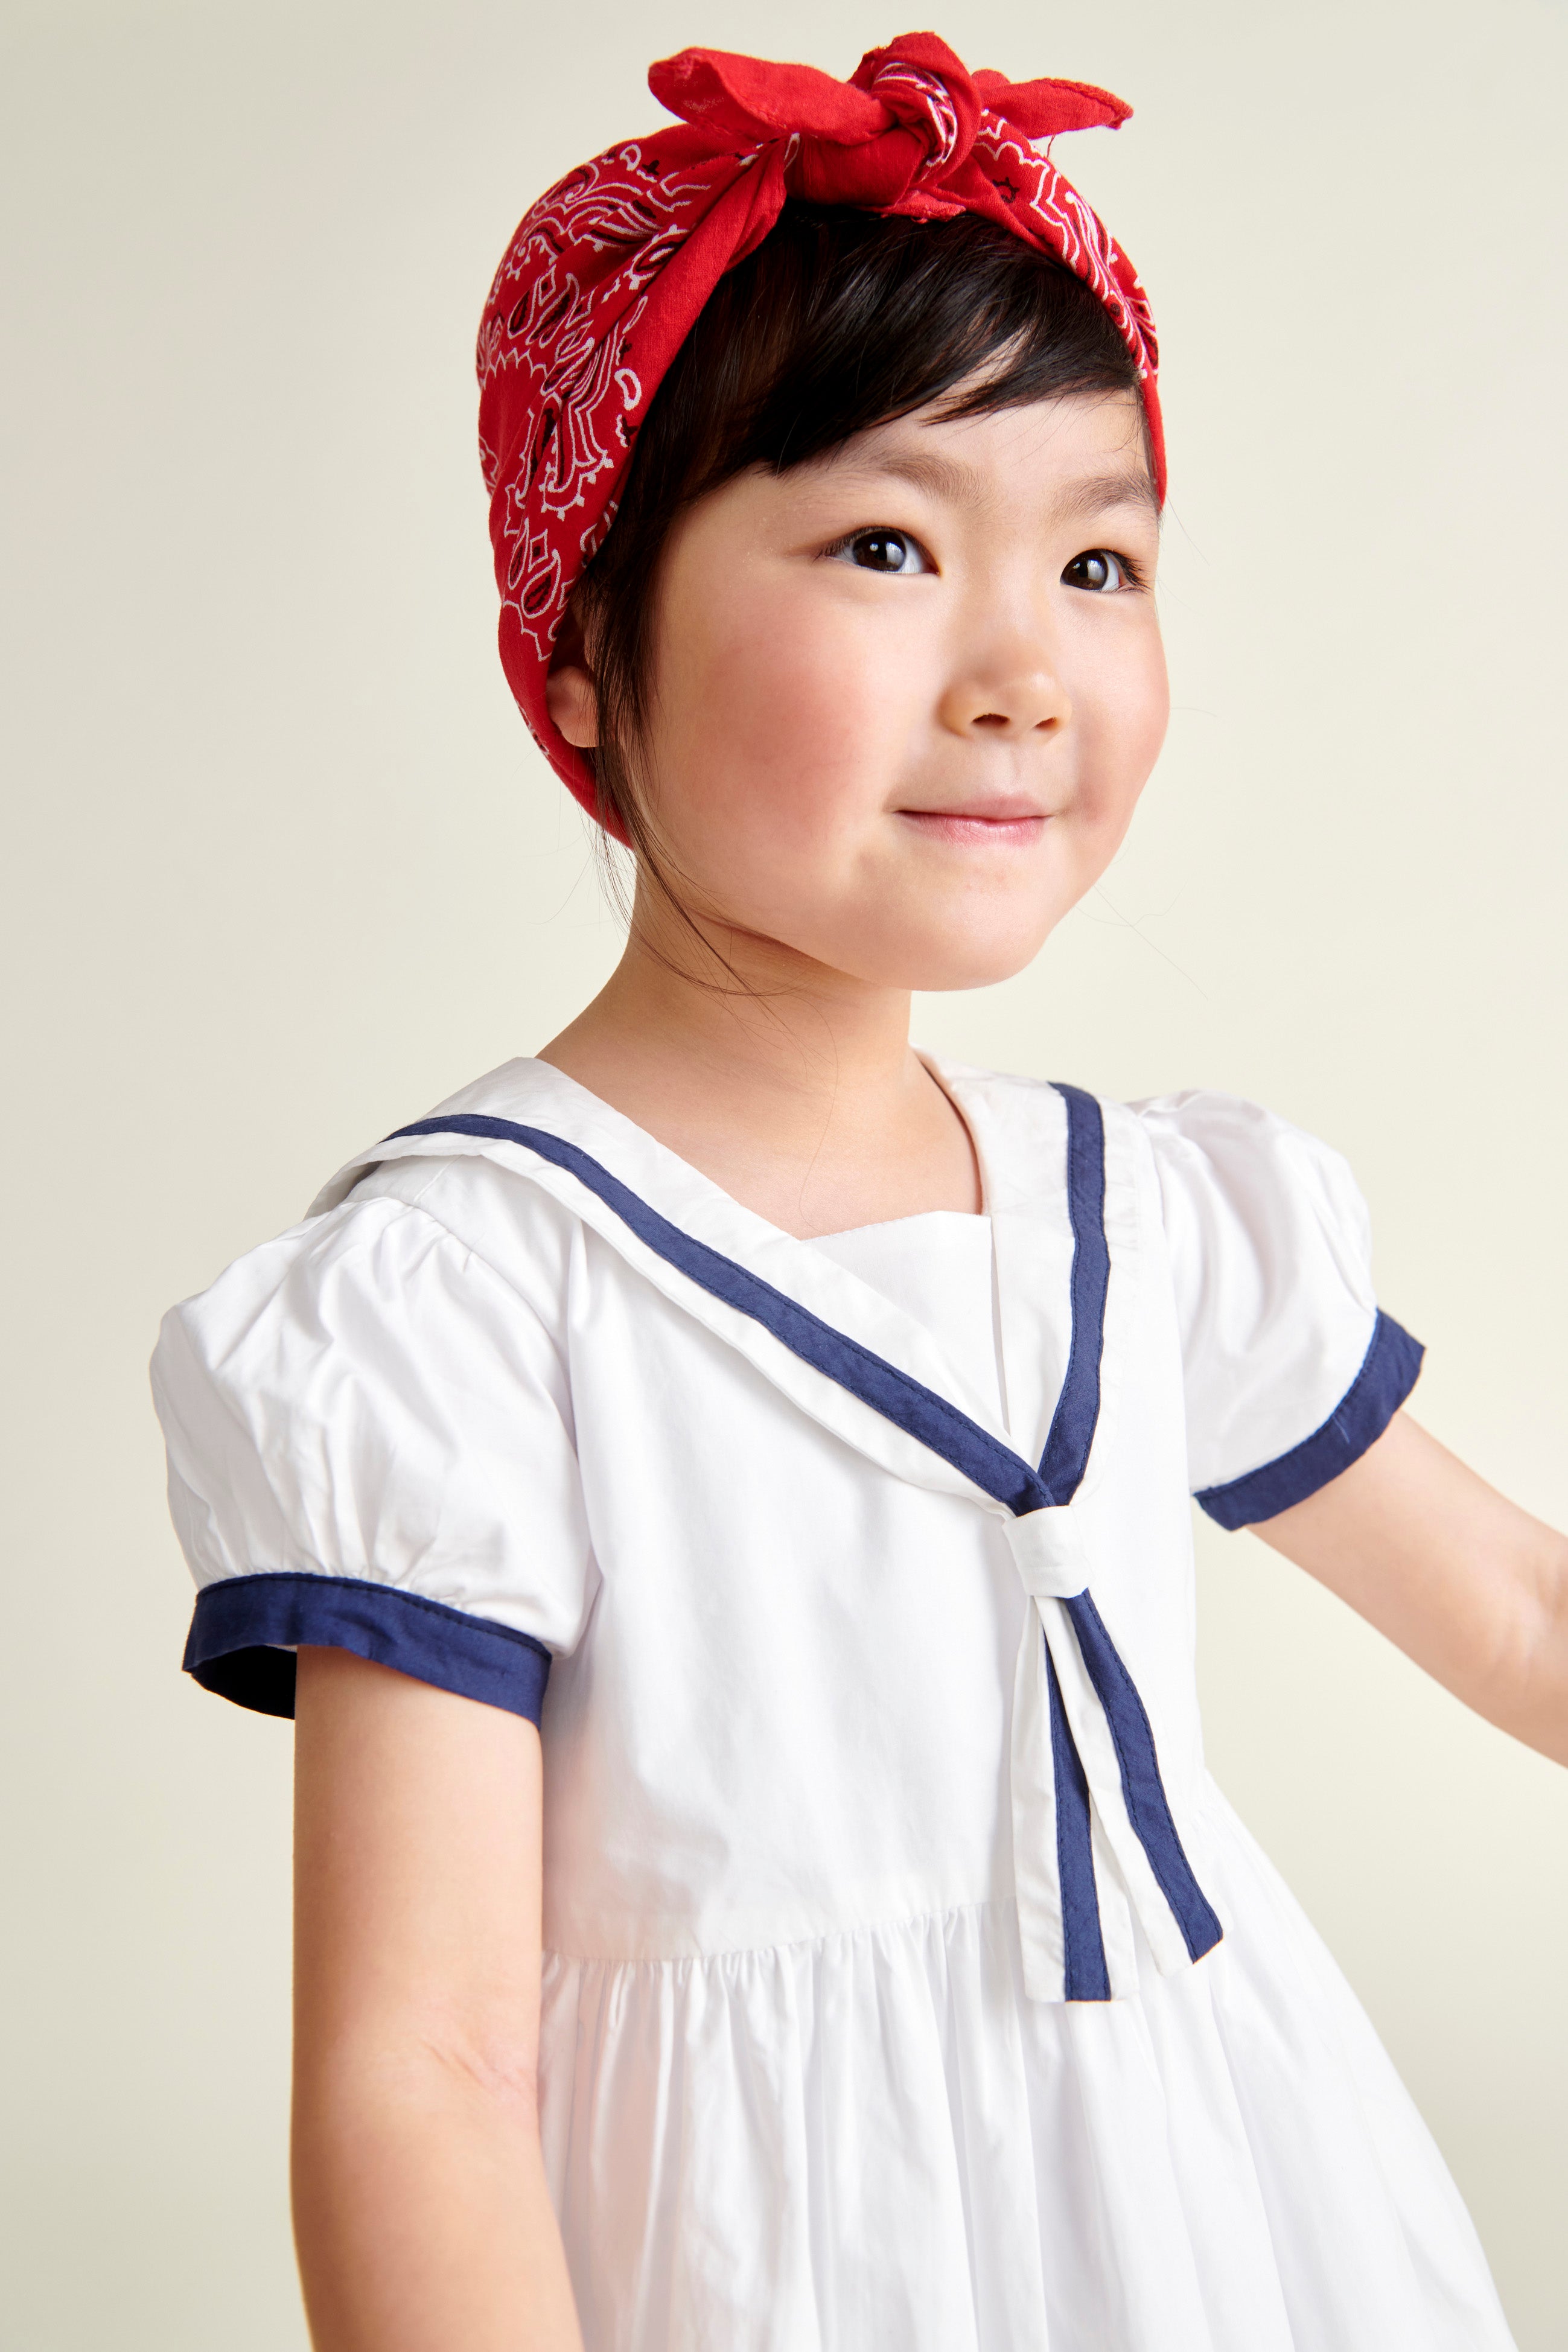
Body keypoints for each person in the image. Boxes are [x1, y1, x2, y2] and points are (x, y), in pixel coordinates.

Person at [150, 34, 1565, 2352]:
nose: (1023, 670)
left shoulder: (1145, 1215)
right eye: (890, 544)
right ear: (589, 646)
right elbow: (420, 2069)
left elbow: (1518, 1611)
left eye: (1097, 557)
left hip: (1231, 2230)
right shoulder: (472, 1295)